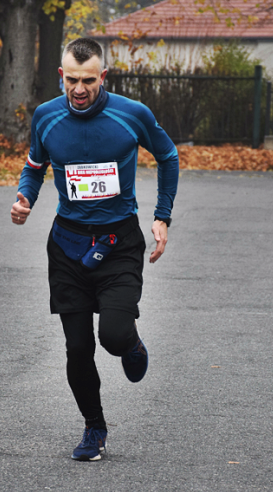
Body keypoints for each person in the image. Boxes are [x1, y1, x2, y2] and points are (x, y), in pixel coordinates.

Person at [10, 37, 179, 461]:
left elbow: (168, 155)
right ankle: (94, 428)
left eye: (88, 80)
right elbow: (34, 166)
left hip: (119, 244)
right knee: (78, 348)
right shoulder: (46, 117)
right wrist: (24, 198)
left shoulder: (131, 115)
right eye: (72, 80)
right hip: (67, 247)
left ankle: (132, 345)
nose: (79, 89)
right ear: (60, 77)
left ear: (103, 77)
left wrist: (162, 216)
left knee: (114, 336)